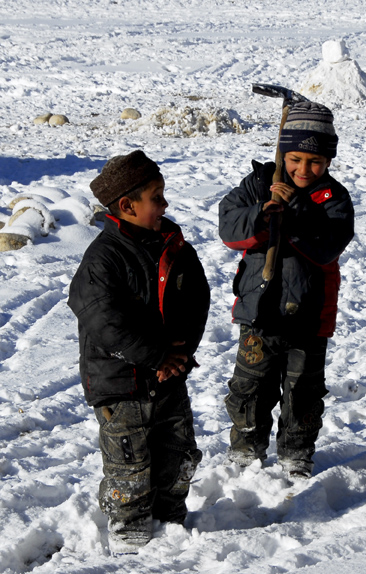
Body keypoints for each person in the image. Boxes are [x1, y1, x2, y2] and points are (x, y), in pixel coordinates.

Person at [68, 150, 210, 554]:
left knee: (179, 453)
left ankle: (171, 518)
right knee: (128, 463)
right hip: (122, 383)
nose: (165, 206)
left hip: (169, 376)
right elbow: (105, 323)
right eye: (157, 198)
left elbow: (197, 301)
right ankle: (130, 532)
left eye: (163, 196)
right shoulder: (103, 258)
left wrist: (179, 355)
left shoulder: (174, 246)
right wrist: (155, 356)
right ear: (127, 206)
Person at [218, 101, 354, 479]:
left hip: (309, 316)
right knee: (250, 385)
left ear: (328, 161)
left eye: (315, 162)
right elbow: (229, 228)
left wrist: (295, 213)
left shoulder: (333, 198)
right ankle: (245, 447)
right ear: (282, 153)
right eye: (295, 159)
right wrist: (262, 212)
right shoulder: (259, 183)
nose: (303, 170)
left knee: (303, 391)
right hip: (259, 311)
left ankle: (297, 452)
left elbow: (328, 245)